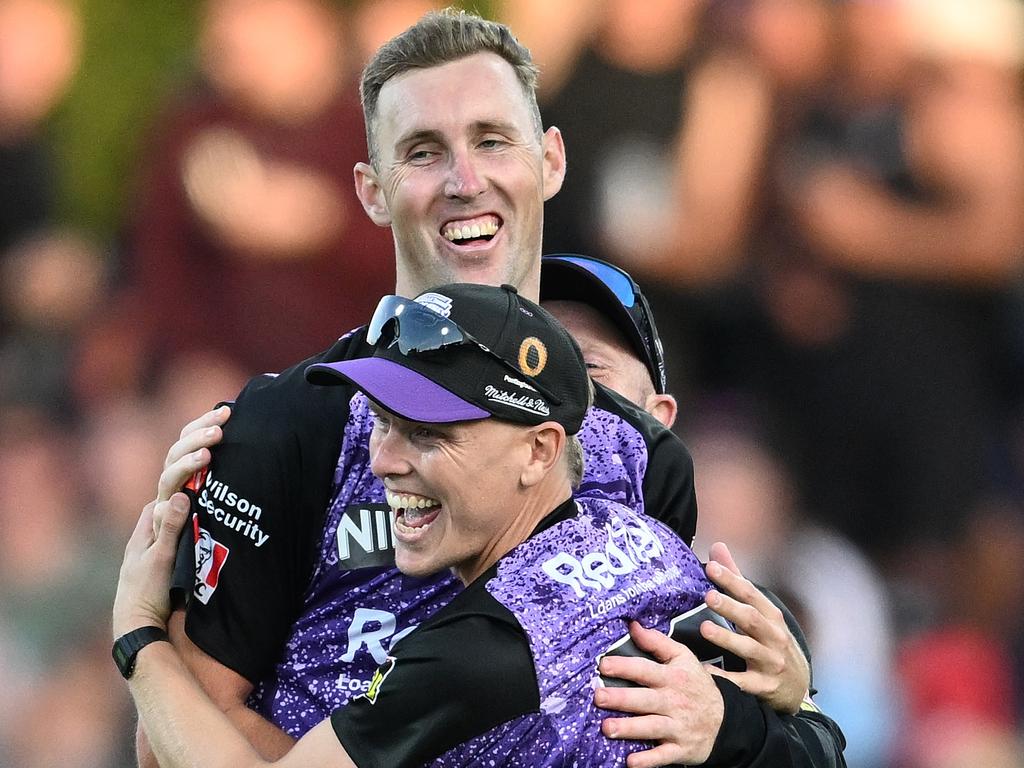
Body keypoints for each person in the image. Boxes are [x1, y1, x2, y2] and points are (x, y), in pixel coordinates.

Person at [141, 9, 845, 767]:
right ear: (373, 191)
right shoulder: (285, 423)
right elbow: (173, 738)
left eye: (490, 140)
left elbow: (674, 707)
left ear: (550, 160)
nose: (464, 181)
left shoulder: (638, 446)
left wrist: (751, 711)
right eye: (423, 152)